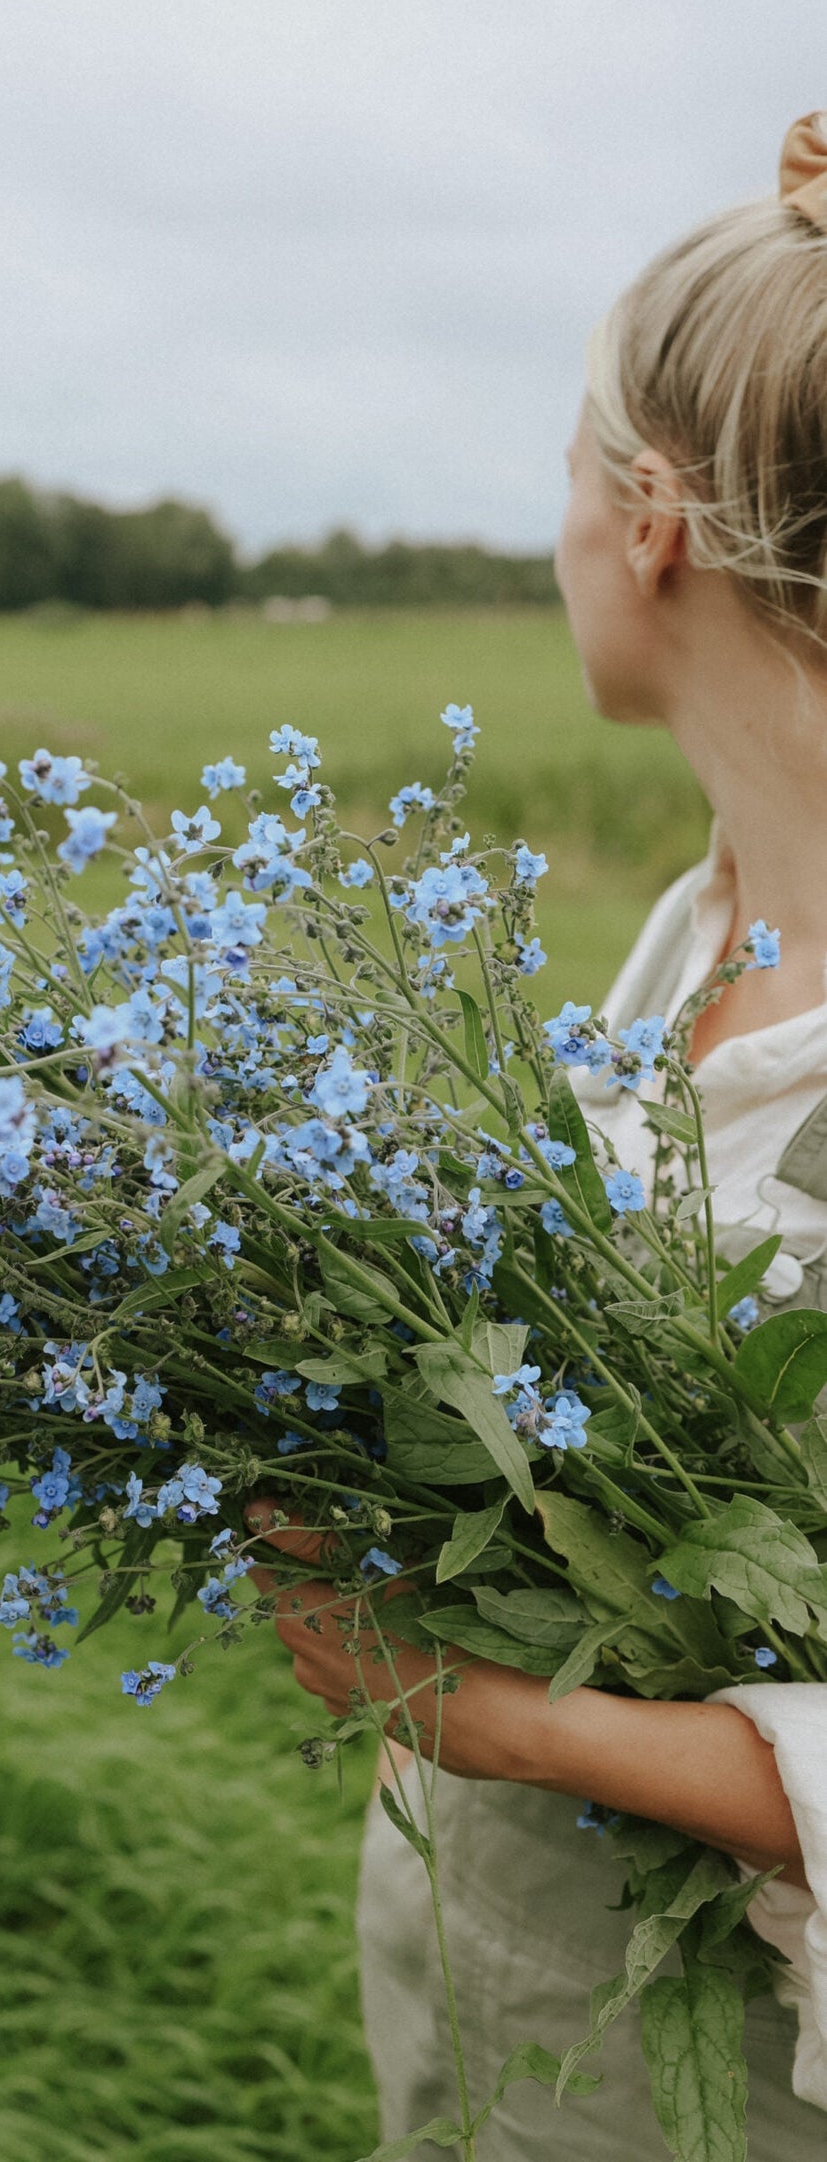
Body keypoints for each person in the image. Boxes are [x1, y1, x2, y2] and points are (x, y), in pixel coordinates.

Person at [247, 113, 827, 2158]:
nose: (555, 525)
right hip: (522, 1985)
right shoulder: (704, 928)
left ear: (654, 517)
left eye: (567, 471)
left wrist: (486, 1711)